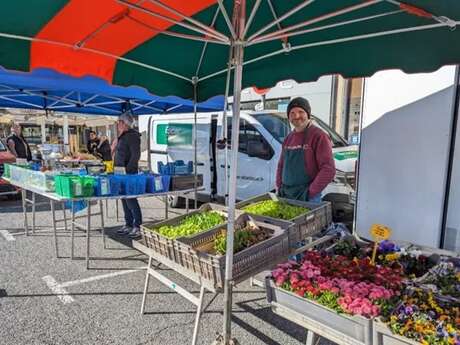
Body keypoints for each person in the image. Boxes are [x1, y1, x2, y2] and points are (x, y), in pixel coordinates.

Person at [276, 97, 335, 202]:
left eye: (301, 112)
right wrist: (279, 186)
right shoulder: (288, 138)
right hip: (286, 194)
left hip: (307, 197)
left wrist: (310, 192)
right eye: (292, 113)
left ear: (308, 114)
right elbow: (281, 165)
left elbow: (328, 169)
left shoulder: (319, 136)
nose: (296, 116)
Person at [114, 113, 142, 239]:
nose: (117, 124)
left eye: (119, 121)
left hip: (128, 174)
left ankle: (138, 226)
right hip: (120, 172)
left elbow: (135, 156)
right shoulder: (123, 136)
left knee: (131, 199)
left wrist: (128, 171)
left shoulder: (132, 136)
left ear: (124, 123)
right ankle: (128, 224)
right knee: (124, 198)